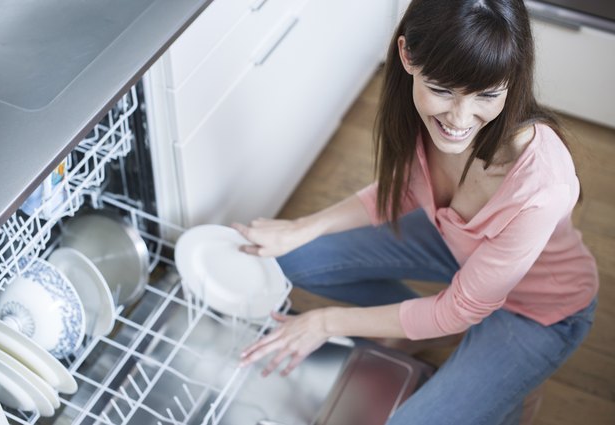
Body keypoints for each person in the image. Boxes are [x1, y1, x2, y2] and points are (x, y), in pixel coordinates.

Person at [232, 0, 599, 423]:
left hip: (540, 309)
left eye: (487, 94)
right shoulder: (416, 111)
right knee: (291, 257)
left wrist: (325, 323)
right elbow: (406, 188)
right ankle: (434, 333)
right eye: (442, 90)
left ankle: (504, 381)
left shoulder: (542, 184)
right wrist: (300, 228)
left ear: (512, 77)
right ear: (407, 55)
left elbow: (461, 306)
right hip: (456, 245)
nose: (461, 120)